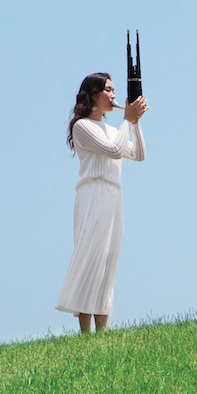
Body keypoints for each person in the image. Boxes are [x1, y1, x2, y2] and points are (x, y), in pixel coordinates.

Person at [55, 72, 148, 333]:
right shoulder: (82, 126)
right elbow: (115, 150)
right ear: (93, 95)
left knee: (108, 258)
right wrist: (127, 120)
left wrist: (135, 123)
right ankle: (86, 333)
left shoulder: (112, 129)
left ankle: (103, 331)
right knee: (91, 257)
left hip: (112, 195)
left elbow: (138, 154)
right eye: (108, 90)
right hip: (92, 194)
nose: (114, 95)